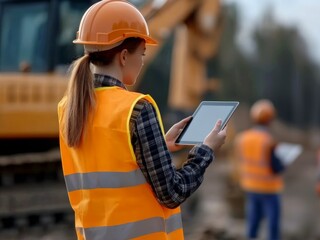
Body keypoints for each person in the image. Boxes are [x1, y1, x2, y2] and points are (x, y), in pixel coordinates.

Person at [57, 1, 227, 239]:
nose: (143, 60)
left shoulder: (68, 108)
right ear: (124, 56)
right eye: (142, 53)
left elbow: (108, 161)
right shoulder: (137, 109)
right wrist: (206, 150)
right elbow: (173, 192)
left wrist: (160, 146)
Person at [234, 99, 285, 240]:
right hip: (269, 188)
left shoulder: (242, 138)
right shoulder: (268, 140)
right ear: (270, 119)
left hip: (250, 186)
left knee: (252, 225)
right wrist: (283, 163)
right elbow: (276, 167)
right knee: (272, 227)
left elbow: (239, 162)